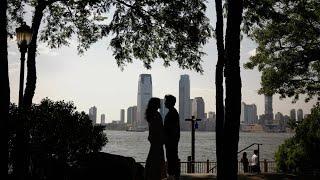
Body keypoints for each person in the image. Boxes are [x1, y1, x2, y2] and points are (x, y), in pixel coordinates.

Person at [144, 98, 166, 180]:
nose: (160, 104)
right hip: (158, 142)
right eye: (159, 103)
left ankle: (149, 175)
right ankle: (156, 176)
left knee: (152, 159)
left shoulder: (151, 114)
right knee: (158, 161)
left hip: (154, 141)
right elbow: (159, 129)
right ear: (156, 104)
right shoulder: (156, 115)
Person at [164, 95, 180, 180]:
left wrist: (169, 139)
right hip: (171, 141)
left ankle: (172, 175)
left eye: (166, 101)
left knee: (171, 158)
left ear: (170, 102)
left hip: (171, 141)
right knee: (172, 157)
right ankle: (173, 174)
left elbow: (172, 129)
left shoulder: (172, 113)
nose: (164, 102)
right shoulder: (172, 112)